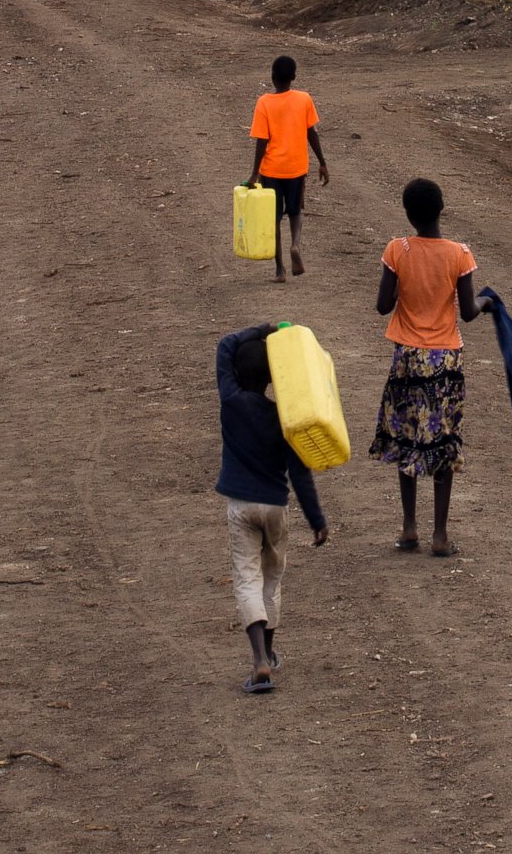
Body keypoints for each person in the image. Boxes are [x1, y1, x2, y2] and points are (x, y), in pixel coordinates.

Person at [215, 323, 328, 695]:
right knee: (272, 579)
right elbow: (300, 473)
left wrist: (263, 328)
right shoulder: (283, 419)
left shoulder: (230, 401)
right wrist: (317, 519)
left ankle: (259, 660)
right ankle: (272, 648)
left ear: (237, 373)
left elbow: (225, 345)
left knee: (247, 579)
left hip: (241, 505)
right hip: (276, 506)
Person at [370, 178, 479, 558]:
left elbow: (383, 306)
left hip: (407, 358)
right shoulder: (459, 255)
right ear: (442, 208)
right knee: (443, 442)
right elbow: (467, 312)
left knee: (406, 438)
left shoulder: (396, 250)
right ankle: (440, 535)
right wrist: (486, 303)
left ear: (407, 213)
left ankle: (409, 528)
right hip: (445, 359)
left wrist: (404, 282)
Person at [247, 55, 328, 279]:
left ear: (272, 78)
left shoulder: (264, 103)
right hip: (296, 167)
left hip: (271, 170)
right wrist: (322, 162)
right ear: (294, 77)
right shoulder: (304, 99)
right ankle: (295, 245)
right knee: (295, 211)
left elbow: (262, 141)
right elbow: (312, 133)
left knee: (273, 219)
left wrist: (255, 172)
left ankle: (280, 269)